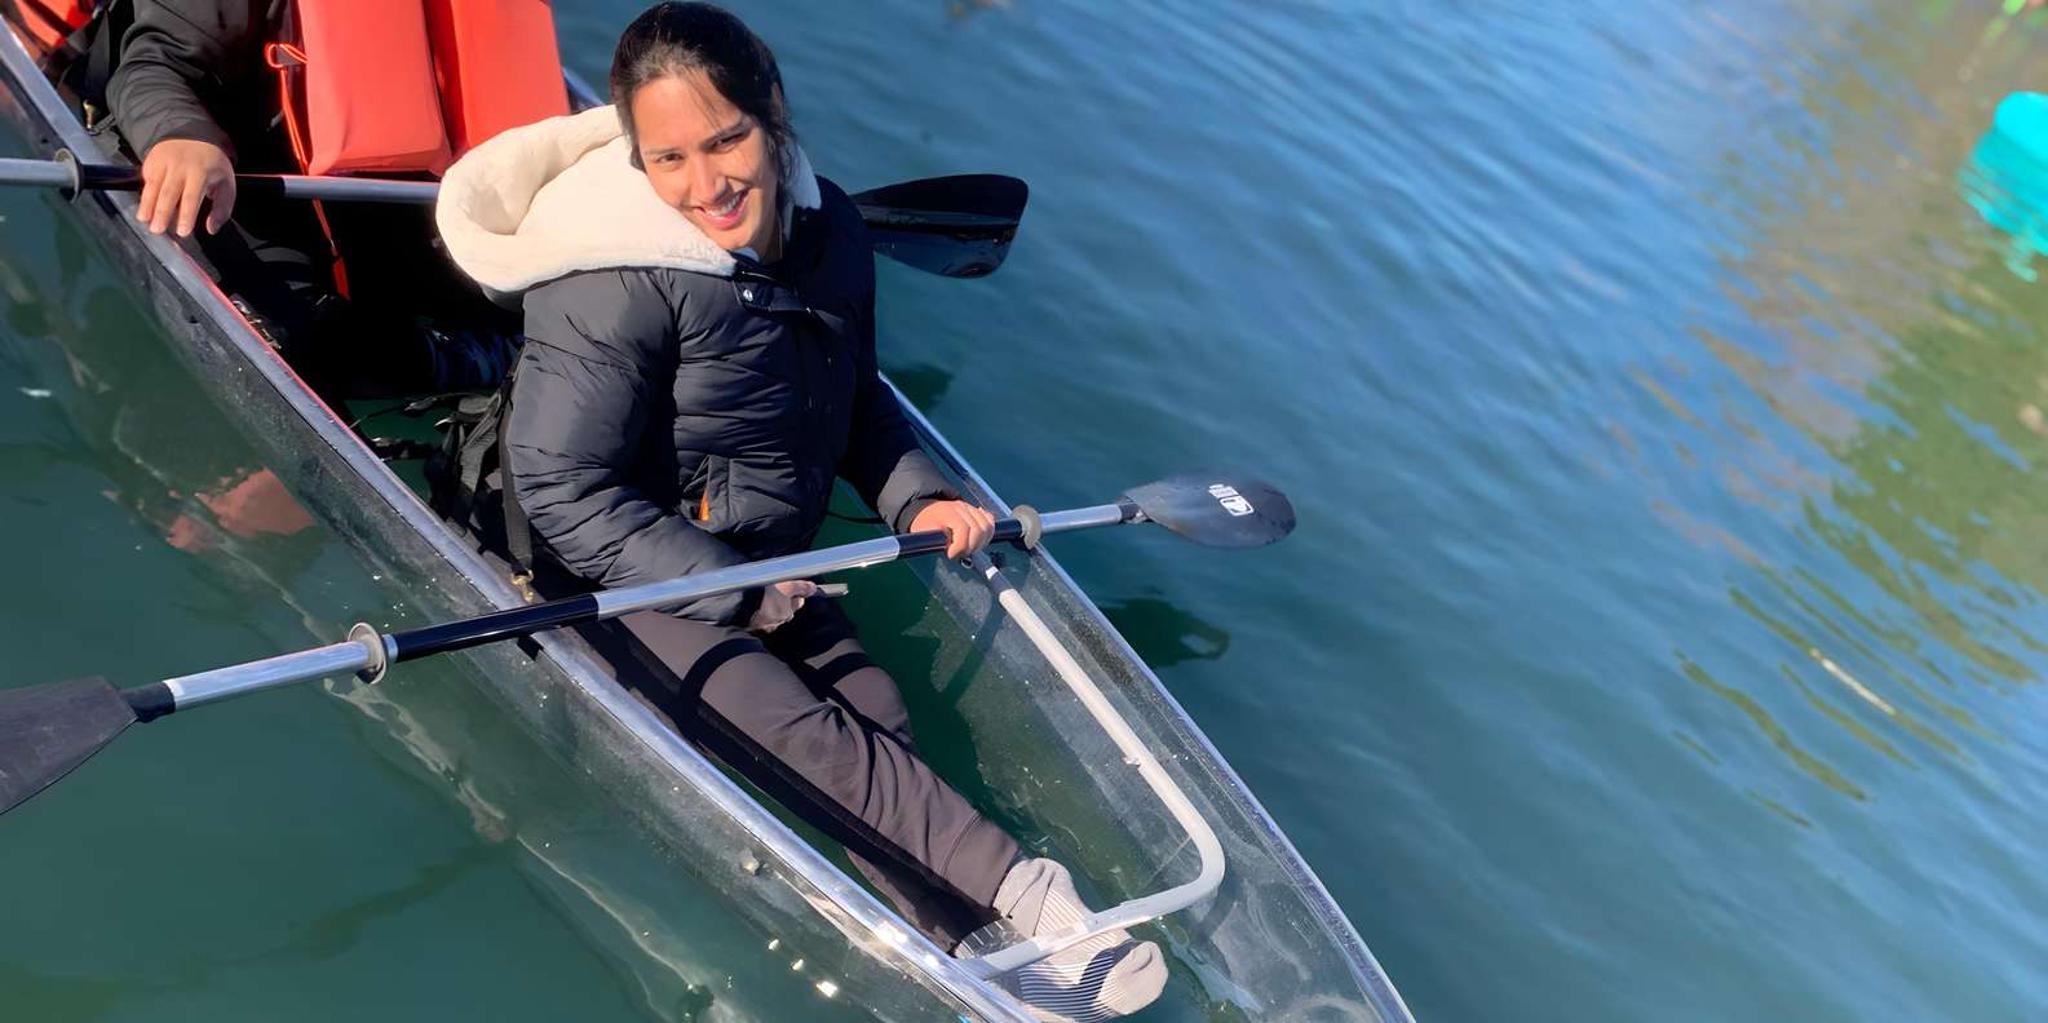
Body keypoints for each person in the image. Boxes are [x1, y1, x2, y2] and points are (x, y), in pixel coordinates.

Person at [433, 3, 1167, 1018]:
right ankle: (1025, 896)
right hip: (589, 562)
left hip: (749, 550)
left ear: (772, 112)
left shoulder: (835, 237)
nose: (706, 185)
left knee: (876, 713)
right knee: (798, 729)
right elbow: (563, 486)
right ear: (638, 159)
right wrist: (731, 597)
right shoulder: (610, 282)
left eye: (727, 139)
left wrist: (923, 494)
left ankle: (963, 949)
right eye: (671, 158)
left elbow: (857, 395)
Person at [92, 0, 516, 397]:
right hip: (245, 184)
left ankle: (461, 353)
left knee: (532, 300)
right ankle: (421, 364)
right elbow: (153, 66)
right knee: (298, 341)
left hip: (398, 191)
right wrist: (181, 136)